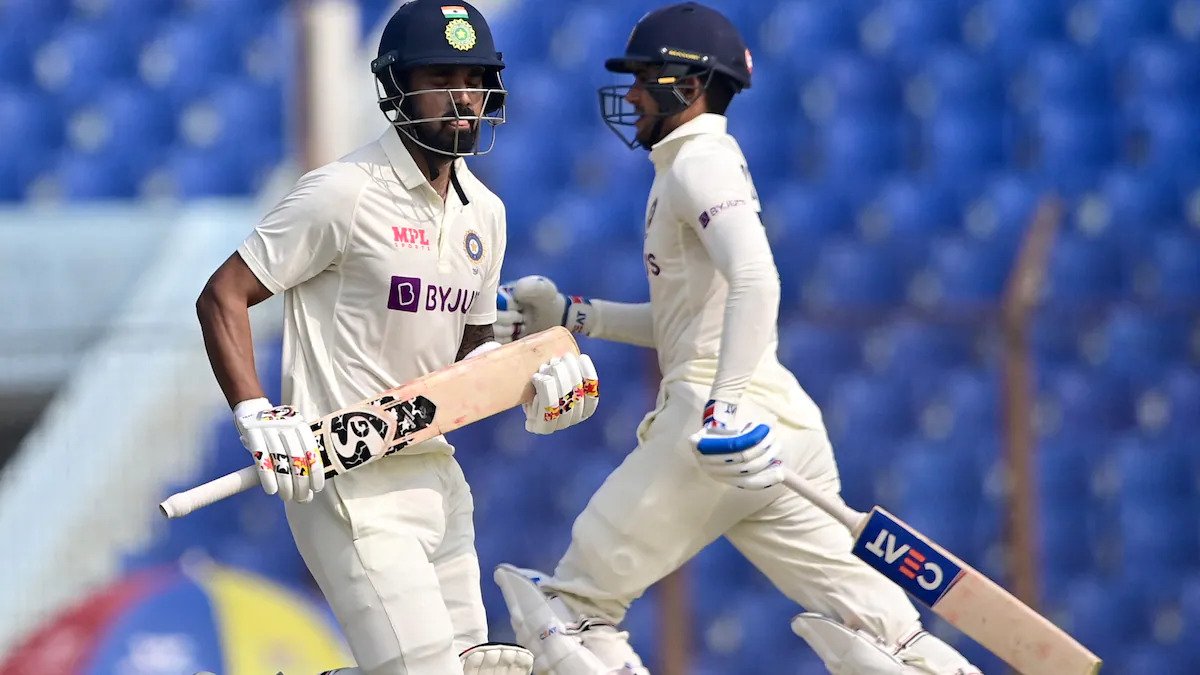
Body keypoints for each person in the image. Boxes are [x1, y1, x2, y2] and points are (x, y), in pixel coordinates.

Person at [489, 3, 983, 674]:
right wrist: (575, 315)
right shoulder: (693, 163)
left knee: (570, 612)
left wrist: (723, 406)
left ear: (688, 87)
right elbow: (687, 320)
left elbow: (757, 278)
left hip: (716, 425)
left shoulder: (699, 163)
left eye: (645, 77)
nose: (632, 93)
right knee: (883, 634)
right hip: (780, 428)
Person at [194, 2, 598, 673]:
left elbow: (469, 359)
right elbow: (224, 294)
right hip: (349, 482)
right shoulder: (341, 192)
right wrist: (254, 410)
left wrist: (533, 382)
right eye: (441, 77)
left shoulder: (486, 215)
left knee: (478, 667)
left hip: (438, 478)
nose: (463, 97)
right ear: (396, 87)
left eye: (474, 79)